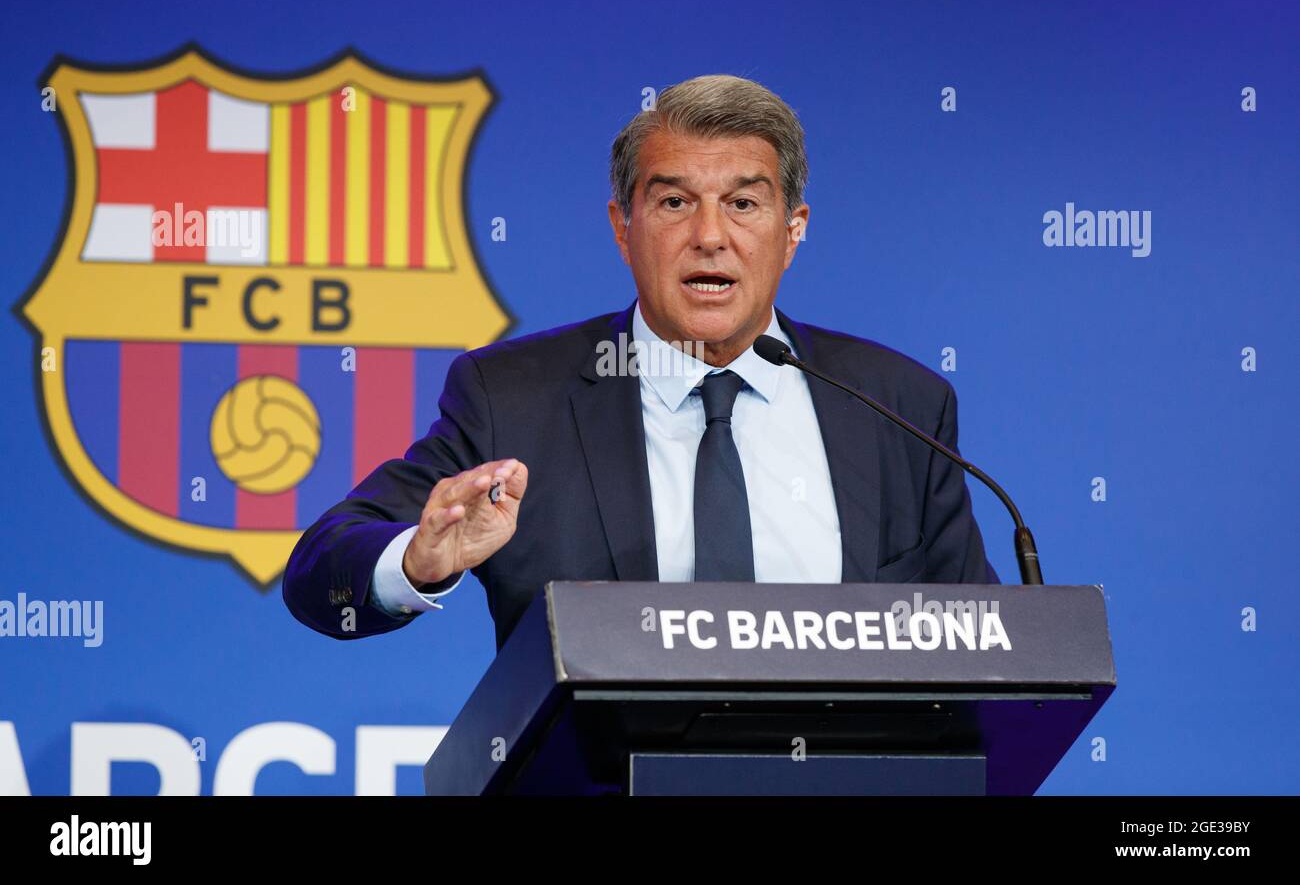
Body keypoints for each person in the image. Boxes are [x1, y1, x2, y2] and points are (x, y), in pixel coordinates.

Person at [283, 74, 999, 650]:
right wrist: (416, 561)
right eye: (674, 202)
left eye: (744, 203)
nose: (710, 236)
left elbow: (990, 646)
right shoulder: (515, 398)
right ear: (623, 228)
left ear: (793, 231)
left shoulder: (896, 403)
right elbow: (323, 567)